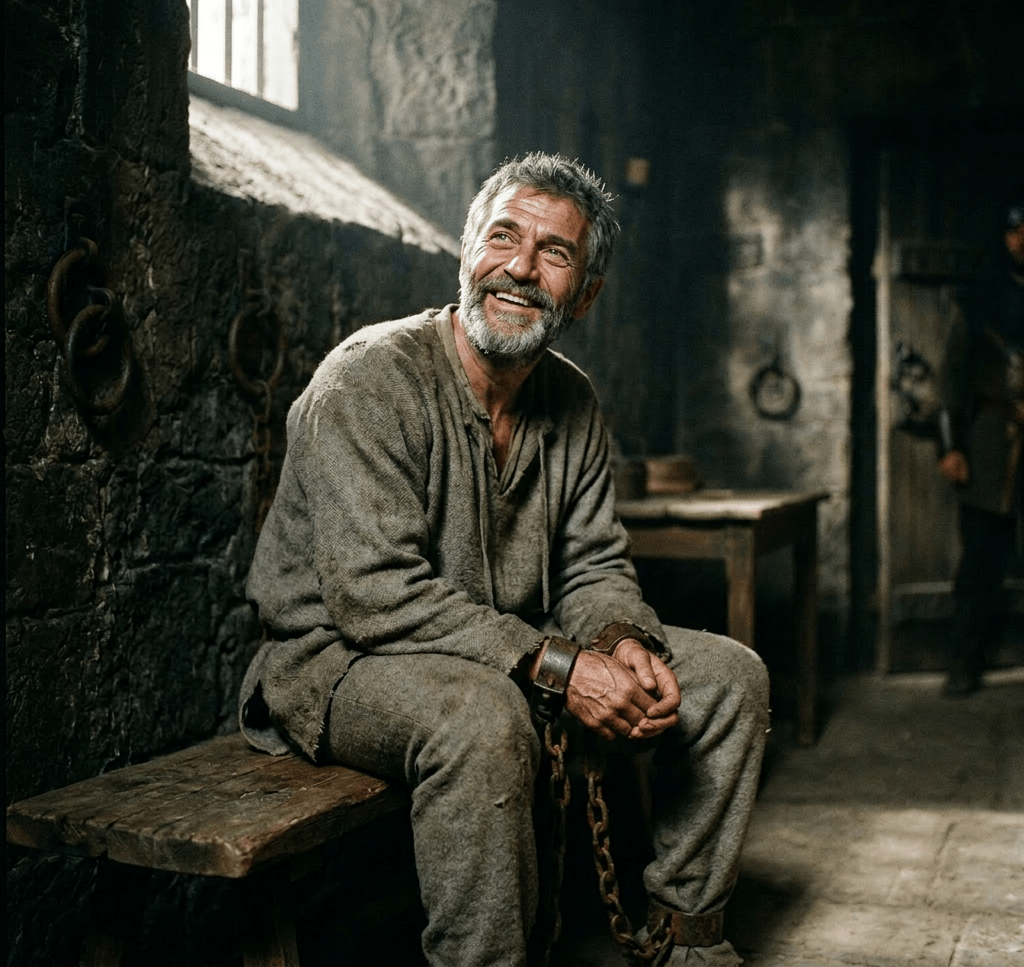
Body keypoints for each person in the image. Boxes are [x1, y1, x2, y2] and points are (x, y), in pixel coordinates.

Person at [238, 153, 769, 966]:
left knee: (730, 679)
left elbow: (593, 564)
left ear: (583, 294)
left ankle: (685, 940)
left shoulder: (573, 401)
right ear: (468, 253)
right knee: (482, 718)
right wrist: (560, 667)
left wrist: (625, 641)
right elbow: (373, 596)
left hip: (504, 648)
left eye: (555, 254)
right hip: (340, 661)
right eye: (504, 238)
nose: (520, 269)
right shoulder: (369, 379)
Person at [937, 202, 1024, 696]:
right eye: (1017, 230)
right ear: (1007, 237)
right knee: (980, 562)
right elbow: (951, 378)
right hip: (992, 444)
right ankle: (964, 661)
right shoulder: (979, 300)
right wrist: (951, 446)